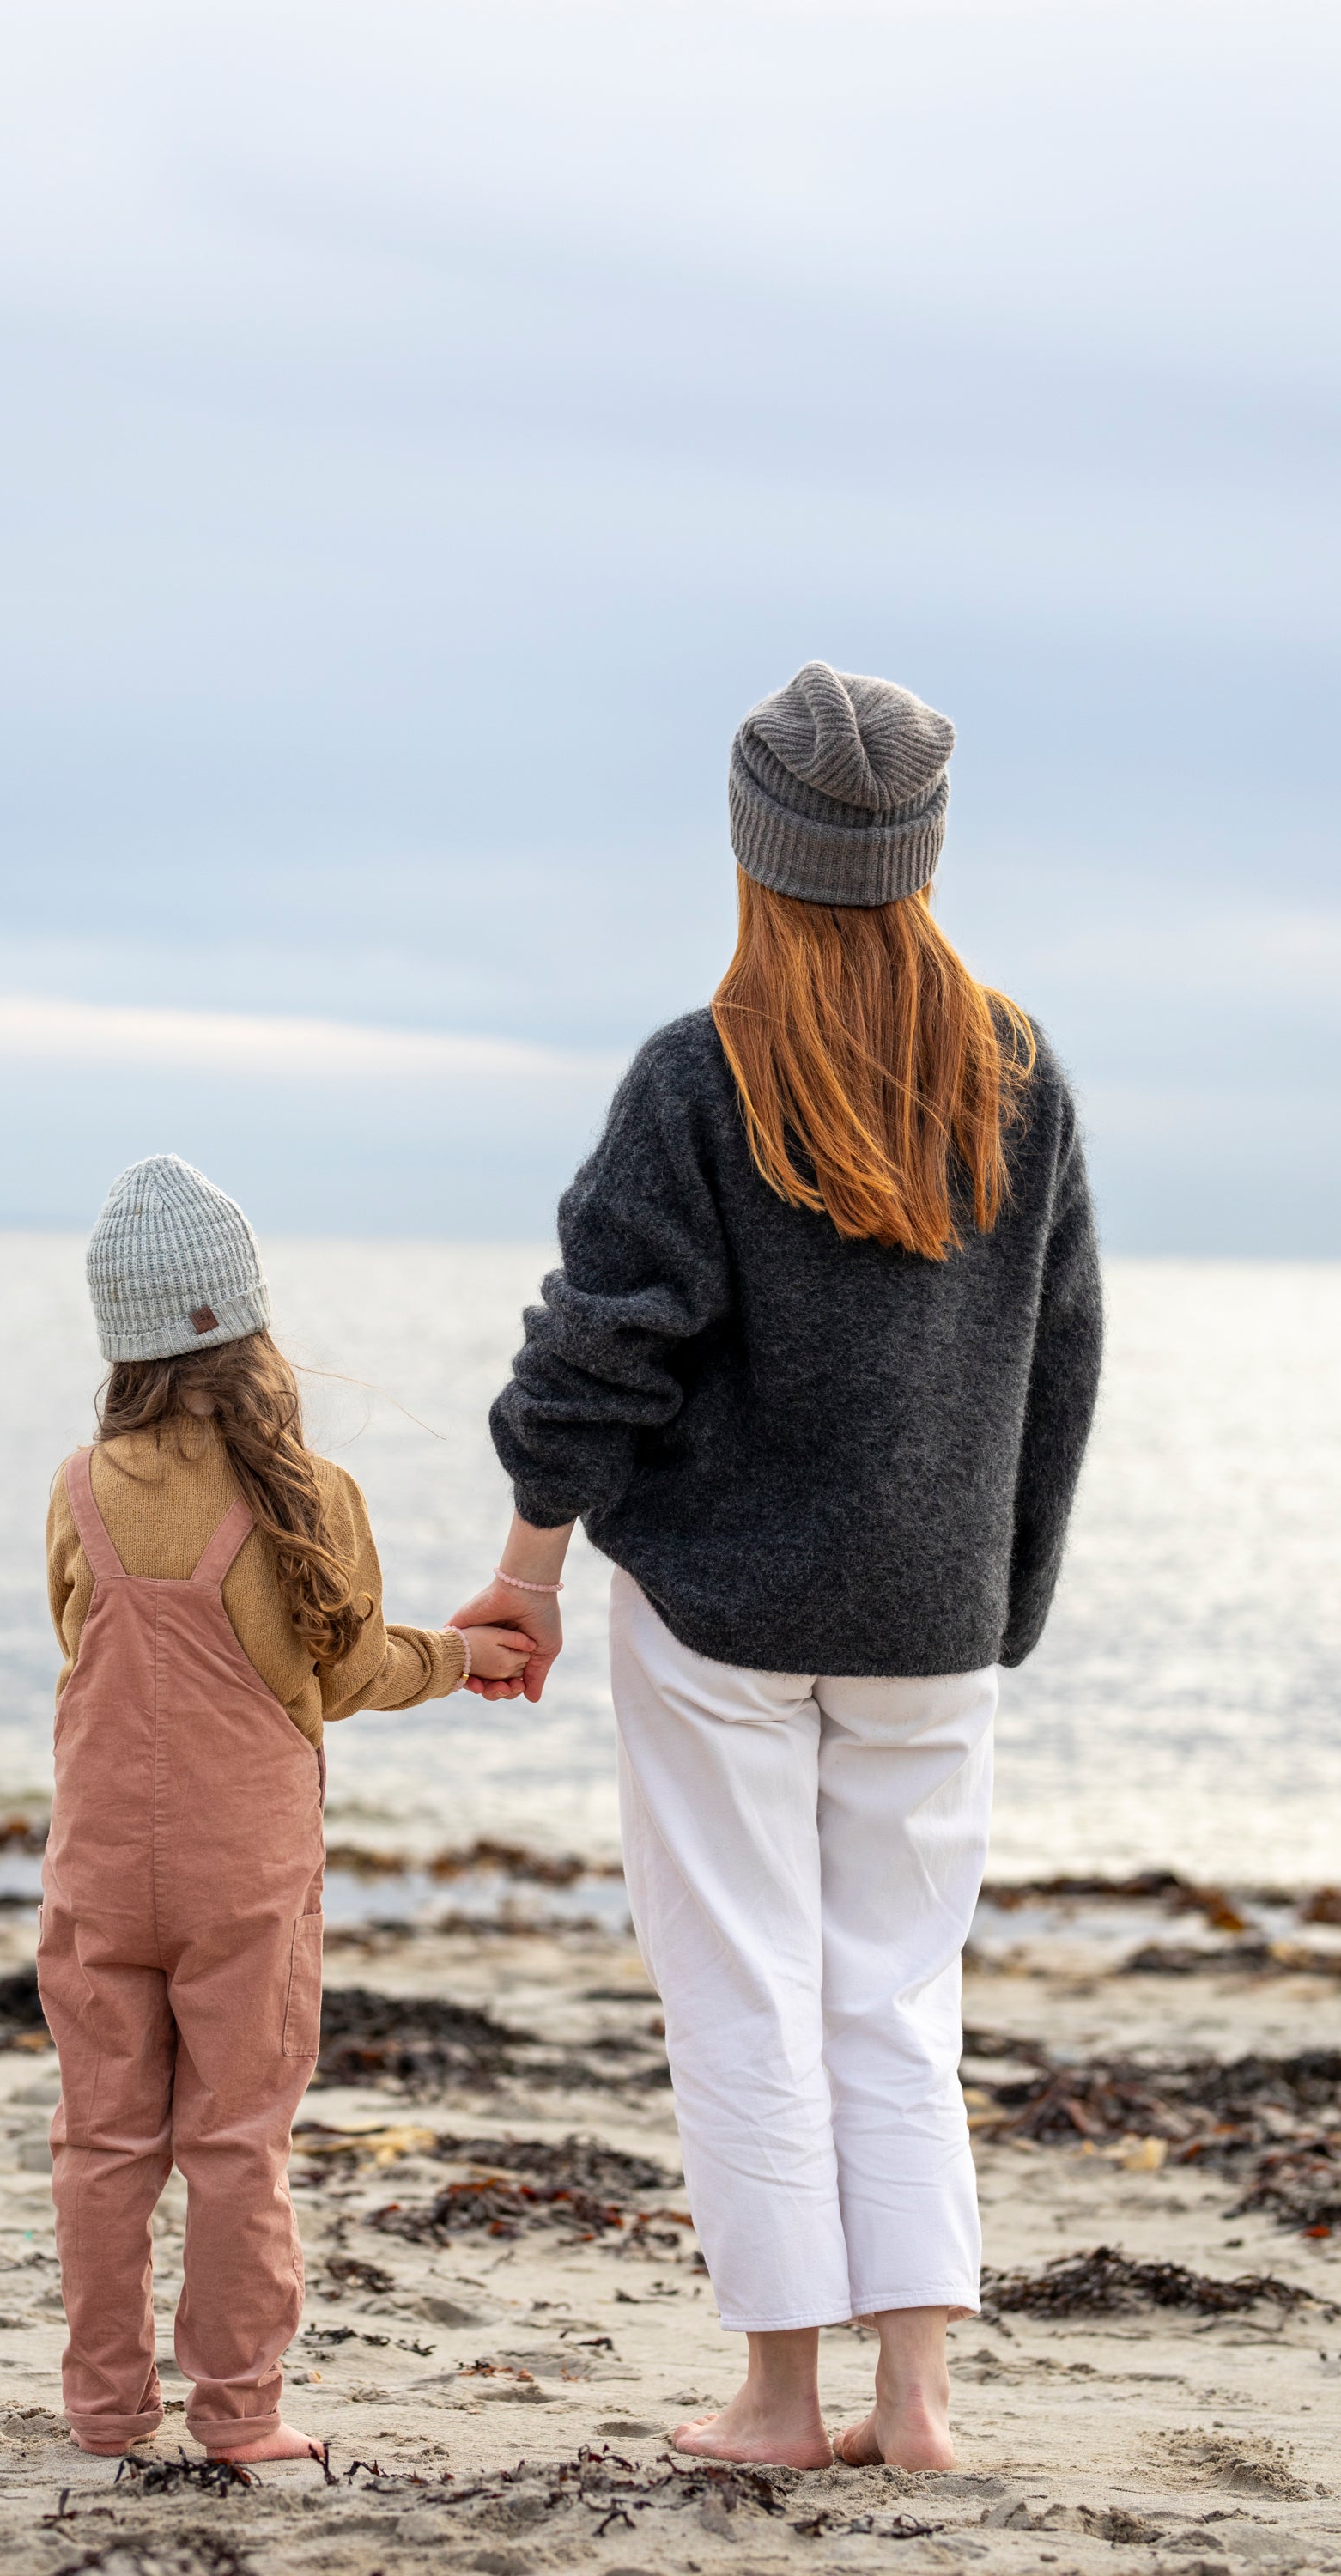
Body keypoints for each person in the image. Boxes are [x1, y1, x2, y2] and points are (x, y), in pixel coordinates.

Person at [449, 662, 1103, 2471]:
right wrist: (997, 1602)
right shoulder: (1018, 1074)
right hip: (928, 1621)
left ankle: (778, 2400)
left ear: (755, 850)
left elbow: (600, 1350)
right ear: (922, 851)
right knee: (894, 1995)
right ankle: (919, 2406)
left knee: (745, 1988)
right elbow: (1061, 1366)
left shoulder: (698, 1074)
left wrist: (528, 1572)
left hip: (722, 1616)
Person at [40, 1154, 531, 2461]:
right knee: (236, 2143)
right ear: (251, 1322)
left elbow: (75, 1640)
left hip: (95, 1872)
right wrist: (469, 1655)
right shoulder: (312, 1497)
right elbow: (356, 1672)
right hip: (245, 1878)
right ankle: (241, 2417)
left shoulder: (80, 1488)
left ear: (119, 1341)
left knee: (101, 2141)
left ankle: (103, 2412)